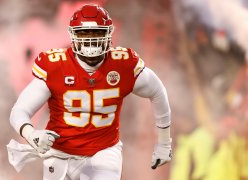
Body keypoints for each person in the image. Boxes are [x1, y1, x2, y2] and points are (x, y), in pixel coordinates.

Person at [9, 4, 172, 180]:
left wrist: (164, 143)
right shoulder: (57, 66)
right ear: (73, 35)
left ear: (109, 34)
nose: (91, 40)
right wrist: (30, 133)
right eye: (85, 34)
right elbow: (20, 111)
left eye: (97, 33)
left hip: (103, 151)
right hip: (60, 153)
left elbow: (157, 92)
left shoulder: (122, 64)